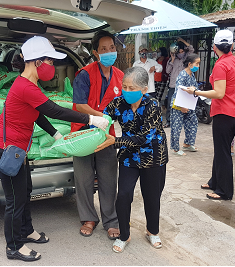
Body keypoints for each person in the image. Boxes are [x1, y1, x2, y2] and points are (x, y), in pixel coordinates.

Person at [0, 36, 110, 262]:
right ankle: (14, 246)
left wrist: (55, 134)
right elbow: (55, 110)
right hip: (7, 152)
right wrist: (91, 119)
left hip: (17, 151)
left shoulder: (29, 84)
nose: (52, 67)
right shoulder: (25, 86)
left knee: (24, 194)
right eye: (50, 61)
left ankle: (27, 231)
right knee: (15, 201)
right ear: (37, 62)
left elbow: (38, 114)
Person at [96, 66, 168, 253]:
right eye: (124, 87)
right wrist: (97, 129)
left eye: (131, 88)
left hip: (153, 155)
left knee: (152, 197)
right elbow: (103, 119)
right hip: (130, 156)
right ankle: (124, 235)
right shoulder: (118, 103)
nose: (126, 91)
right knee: (123, 195)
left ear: (144, 89)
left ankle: (152, 231)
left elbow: (144, 138)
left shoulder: (152, 105)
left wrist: (115, 141)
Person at [71, 30, 122, 240]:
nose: (109, 52)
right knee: (83, 179)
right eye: (104, 49)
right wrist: (99, 116)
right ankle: (88, 218)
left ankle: (111, 220)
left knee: (109, 178)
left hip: (106, 135)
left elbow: (126, 106)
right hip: (82, 132)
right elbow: (80, 105)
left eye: (112, 48)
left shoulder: (120, 76)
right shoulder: (84, 74)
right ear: (95, 52)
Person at [182, 30, 235, 201]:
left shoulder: (221, 65)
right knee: (221, 150)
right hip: (231, 111)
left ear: (214, 47)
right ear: (232, 45)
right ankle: (215, 181)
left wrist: (196, 92)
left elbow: (219, 93)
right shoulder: (232, 61)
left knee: (223, 152)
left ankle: (224, 191)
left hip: (224, 112)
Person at [170, 54, 200, 156]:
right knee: (177, 126)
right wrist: (182, 105)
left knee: (193, 122)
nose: (198, 66)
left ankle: (187, 143)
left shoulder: (192, 75)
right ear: (190, 64)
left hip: (189, 104)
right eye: (197, 63)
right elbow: (179, 90)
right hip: (180, 104)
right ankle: (175, 148)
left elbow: (195, 88)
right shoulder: (182, 75)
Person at [164, 38, 194, 128]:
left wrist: (182, 41)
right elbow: (167, 70)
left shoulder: (186, 59)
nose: (181, 53)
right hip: (173, 85)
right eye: (179, 52)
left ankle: (182, 121)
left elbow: (191, 49)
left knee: (183, 104)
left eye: (182, 51)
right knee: (170, 103)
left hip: (183, 86)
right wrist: (172, 60)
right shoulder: (172, 60)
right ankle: (169, 121)